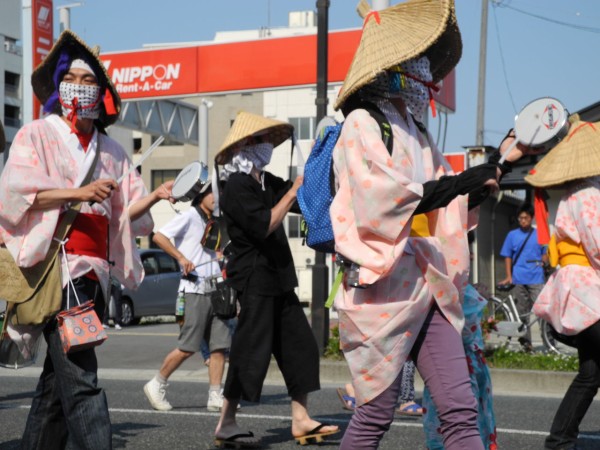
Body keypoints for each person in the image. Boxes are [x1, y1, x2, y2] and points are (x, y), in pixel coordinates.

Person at [329, 1, 537, 448]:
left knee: (460, 411)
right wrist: (464, 182)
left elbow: (449, 195)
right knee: (376, 413)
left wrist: (489, 171)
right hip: (384, 285)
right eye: (416, 61)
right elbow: (383, 199)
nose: (427, 72)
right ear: (393, 68)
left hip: (429, 280)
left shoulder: (415, 129)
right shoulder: (363, 124)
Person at [0, 30, 173, 450]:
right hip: (57, 269)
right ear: (61, 84)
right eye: (74, 76)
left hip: (92, 275)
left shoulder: (112, 149)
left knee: (56, 389)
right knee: (82, 381)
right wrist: (78, 193)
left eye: (91, 79)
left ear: (103, 91)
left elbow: (126, 218)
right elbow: (13, 195)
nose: (81, 85)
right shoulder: (37, 134)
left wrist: (153, 194)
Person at [213, 111, 339, 448]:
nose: (266, 145)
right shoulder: (235, 185)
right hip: (253, 279)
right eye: (259, 139)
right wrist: (293, 190)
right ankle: (227, 422)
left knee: (301, 347)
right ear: (243, 145)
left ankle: (301, 419)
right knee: (249, 354)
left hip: (279, 278)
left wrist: (321, 155)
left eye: (268, 139)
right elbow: (265, 224)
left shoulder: (266, 180)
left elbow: (303, 197)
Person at [526, 116, 600, 450]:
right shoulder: (589, 192)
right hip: (586, 290)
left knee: (591, 374)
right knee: (591, 374)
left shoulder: (577, 192)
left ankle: (560, 440)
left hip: (577, 288)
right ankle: (559, 440)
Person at [144, 181, 232, 412]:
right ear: (201, 195)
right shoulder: (190, 216)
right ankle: (157, 383)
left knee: (220, 347)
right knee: (187, 346)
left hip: (217, 291)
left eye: (220, 192)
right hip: (193, 290)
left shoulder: (216, 221)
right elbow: (159, 237)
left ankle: (215, 394)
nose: (217, 196)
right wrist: (181, 258)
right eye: (213, 192)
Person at [499, 203, 548, 351]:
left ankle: (549, 343)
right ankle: (526, 345)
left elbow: (545, 253)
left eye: (525, 218)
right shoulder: (512, 235)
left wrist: (544, 261)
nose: (523, 220)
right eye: (520, 218)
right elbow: (507, 256)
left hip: (536, 278)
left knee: (543, 312)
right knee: (522, 314)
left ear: (531, 218)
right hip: (518, 279)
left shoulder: (539, 234)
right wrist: (509, 276)